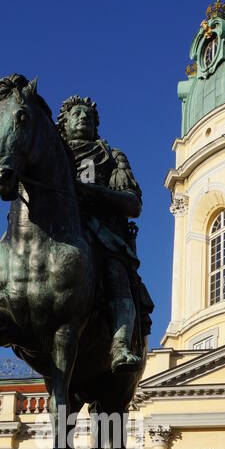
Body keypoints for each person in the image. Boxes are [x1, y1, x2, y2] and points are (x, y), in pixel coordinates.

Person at [57, 94, 152, 374]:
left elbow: (132, 204)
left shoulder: (111, 157)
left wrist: (93, 193)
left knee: (115, 273)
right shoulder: (51, 155)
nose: (83, 117)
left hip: (101, 232)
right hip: (57, 230)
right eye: (76, 114)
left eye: (88, 115)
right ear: (64, 123)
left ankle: (120, 343)